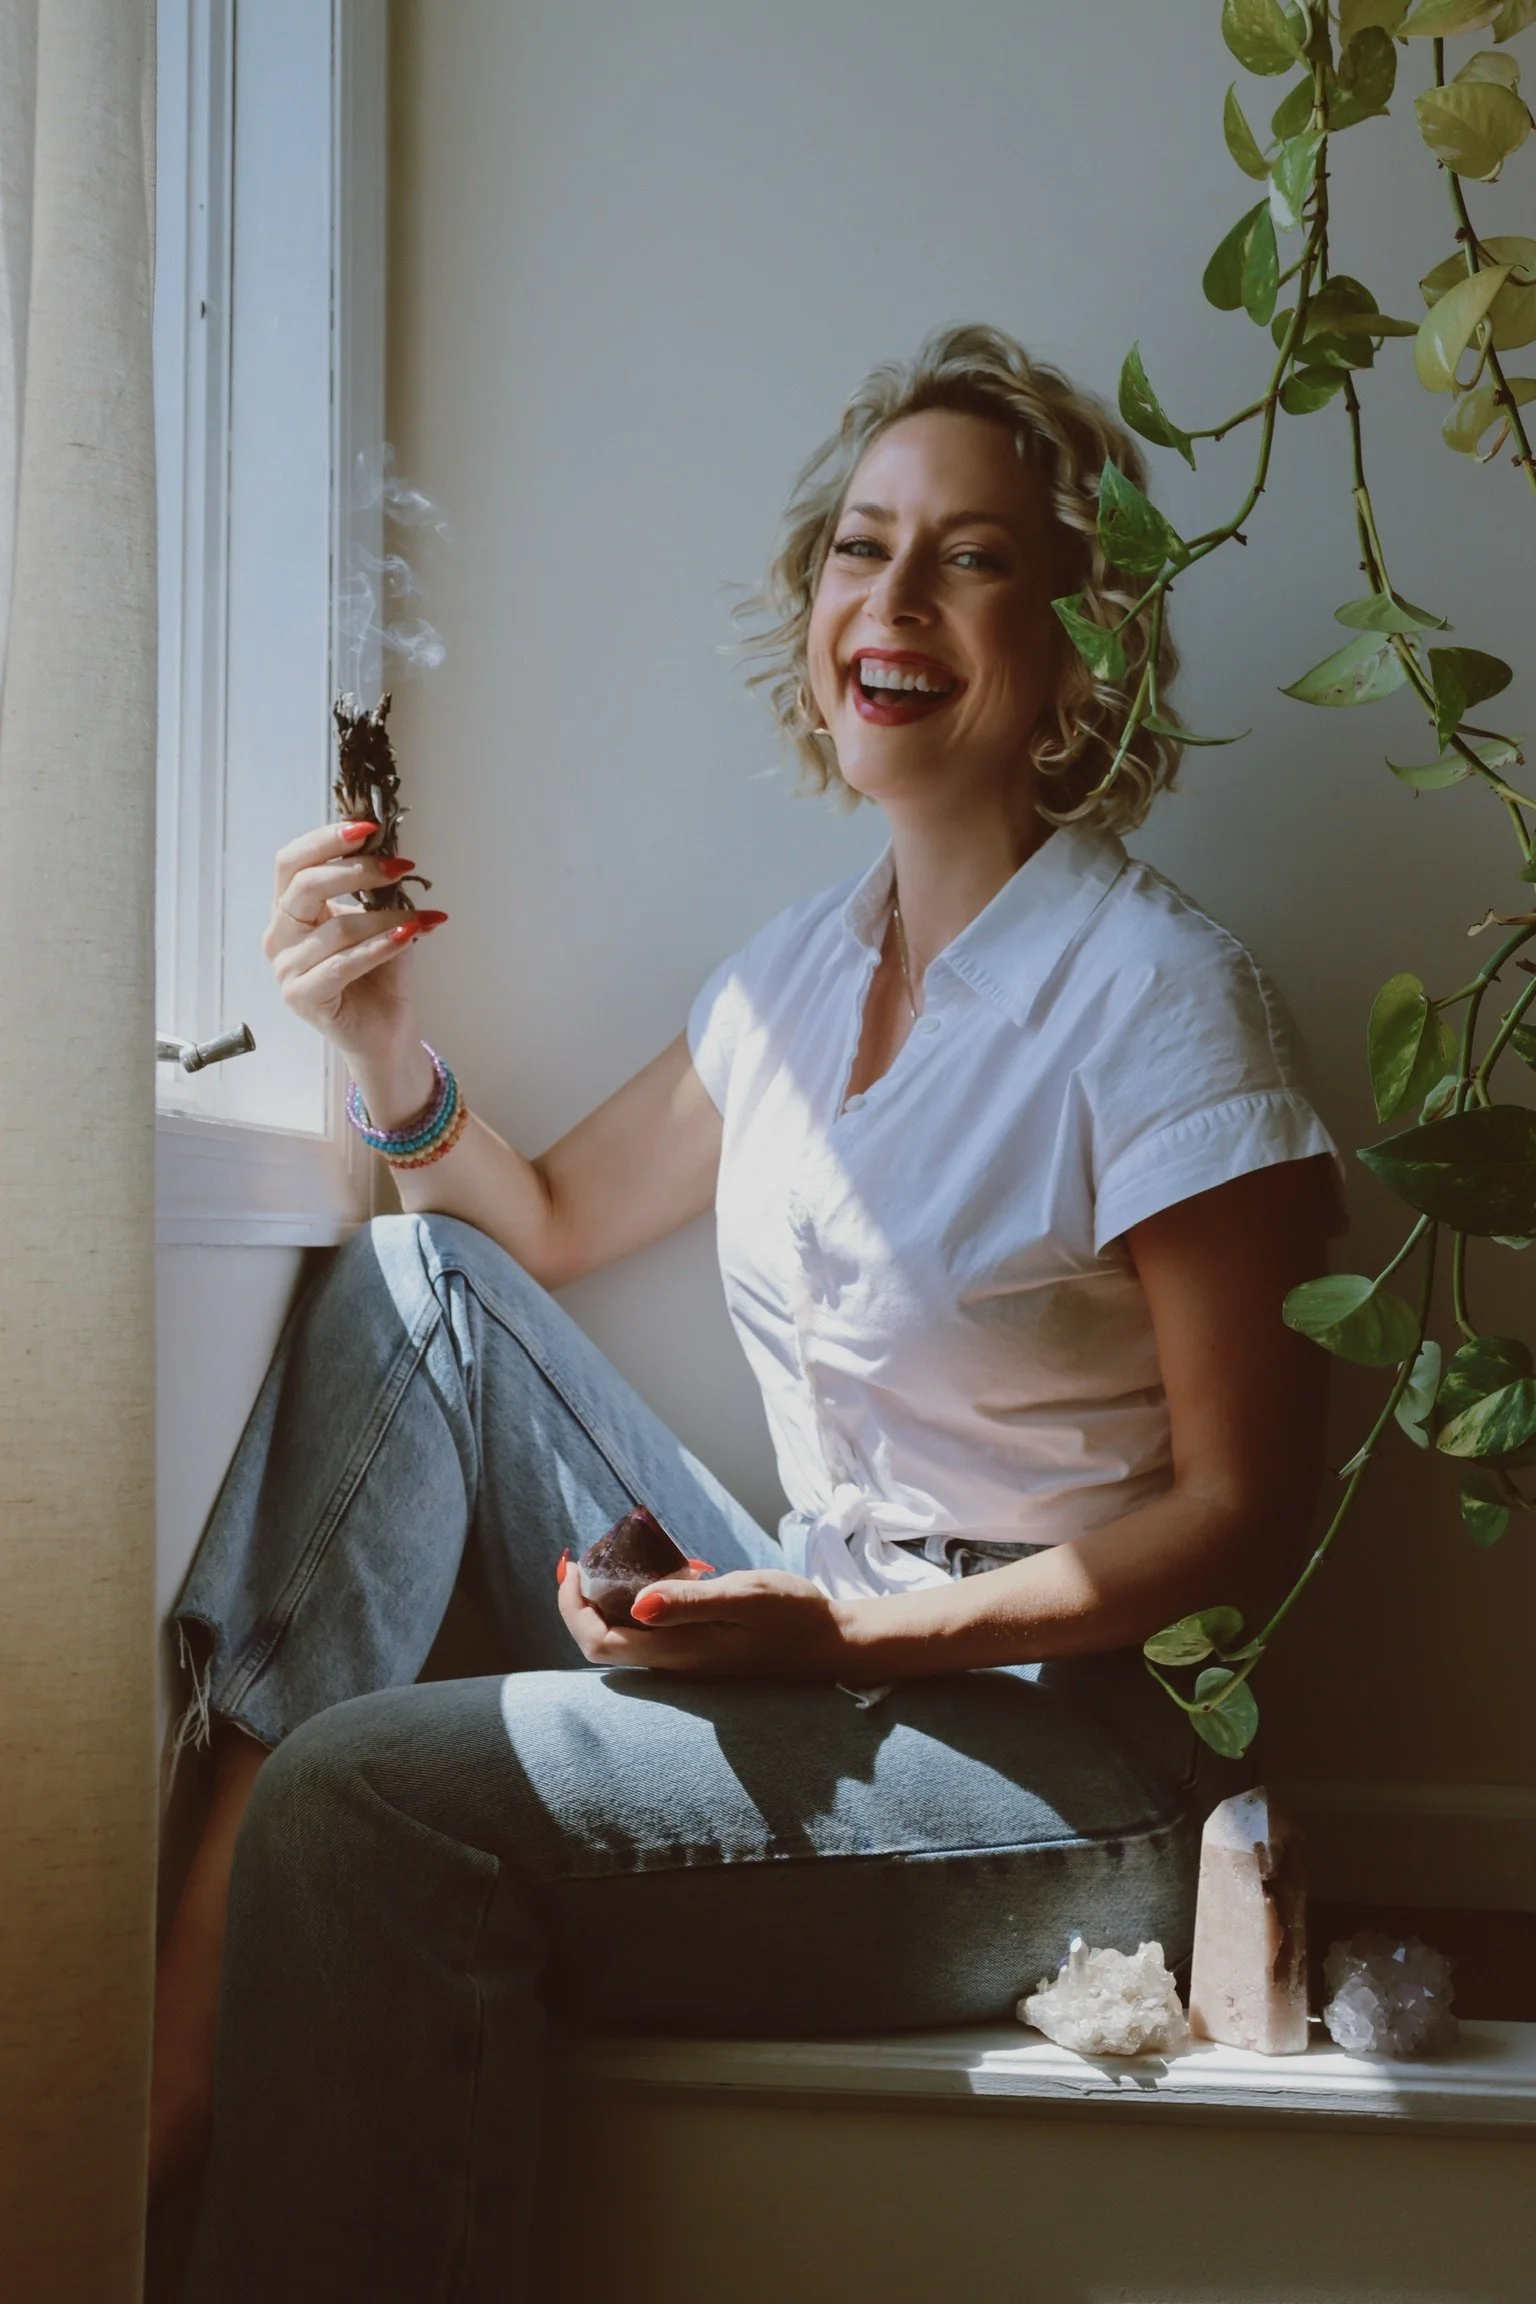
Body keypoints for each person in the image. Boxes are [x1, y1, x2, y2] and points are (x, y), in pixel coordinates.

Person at [155, 323, 1338, 2299]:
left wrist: (847, 1631)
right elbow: (523, 1226)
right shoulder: (795, 977)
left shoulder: (1159, 998)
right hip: (832, 1627)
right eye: (861, 547)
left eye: (971, 558)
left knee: (375, 1798)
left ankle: (183, 2088)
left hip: (1073, 1757)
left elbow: (1246, 1517)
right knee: (415, 1281)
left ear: (1079, 651)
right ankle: (185, 2019)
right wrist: (378, 1038)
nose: (892, 597)